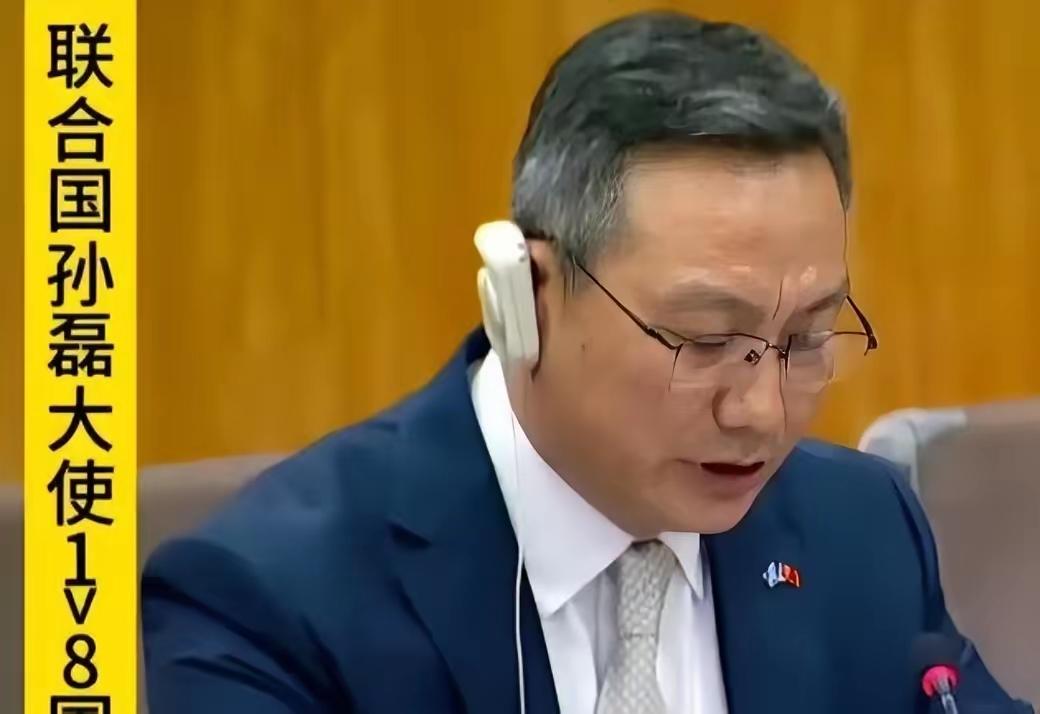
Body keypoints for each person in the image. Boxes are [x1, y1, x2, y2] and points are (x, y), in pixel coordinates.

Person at [141, 10, 1032, 714]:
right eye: (704, 342)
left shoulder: (858, 533)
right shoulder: (269, 603)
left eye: (803, 340)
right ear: (525, 298)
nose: (761, 412)